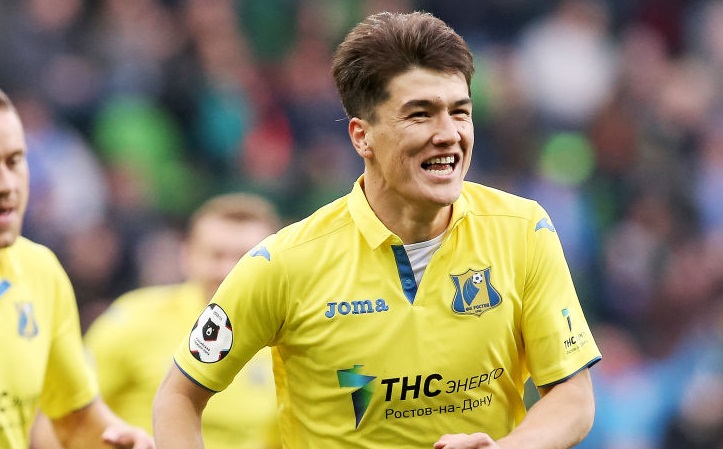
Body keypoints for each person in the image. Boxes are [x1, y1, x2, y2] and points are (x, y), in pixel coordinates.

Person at [153, 11, 601, 449]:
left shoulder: (523, 230)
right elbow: (178, 397)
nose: (449, 133)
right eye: (421, 114)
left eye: (460, 112)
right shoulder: (285, 263)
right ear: (361, 136)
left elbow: (572, 395)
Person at [0, 89, 154, 449]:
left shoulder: (39, 271)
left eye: (14, 161)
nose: (7, 186)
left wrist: (123, 442)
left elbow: (75, 418)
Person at [83, 193, 282, 449]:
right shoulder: (134, 318)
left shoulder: (283, 341)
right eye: (216, 255)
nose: (228, 271)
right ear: (187, 255)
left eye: (244, 259)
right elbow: (65, 415)